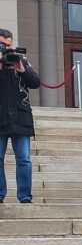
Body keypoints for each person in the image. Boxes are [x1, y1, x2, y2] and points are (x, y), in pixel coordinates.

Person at [0, 29, 40, 204]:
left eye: (8, 45)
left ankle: (25, 196)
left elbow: (35, 83)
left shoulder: (21, 60)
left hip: (20, 117)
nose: (5, 49)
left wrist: (22, 70)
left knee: (24, 159)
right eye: (2, 45)